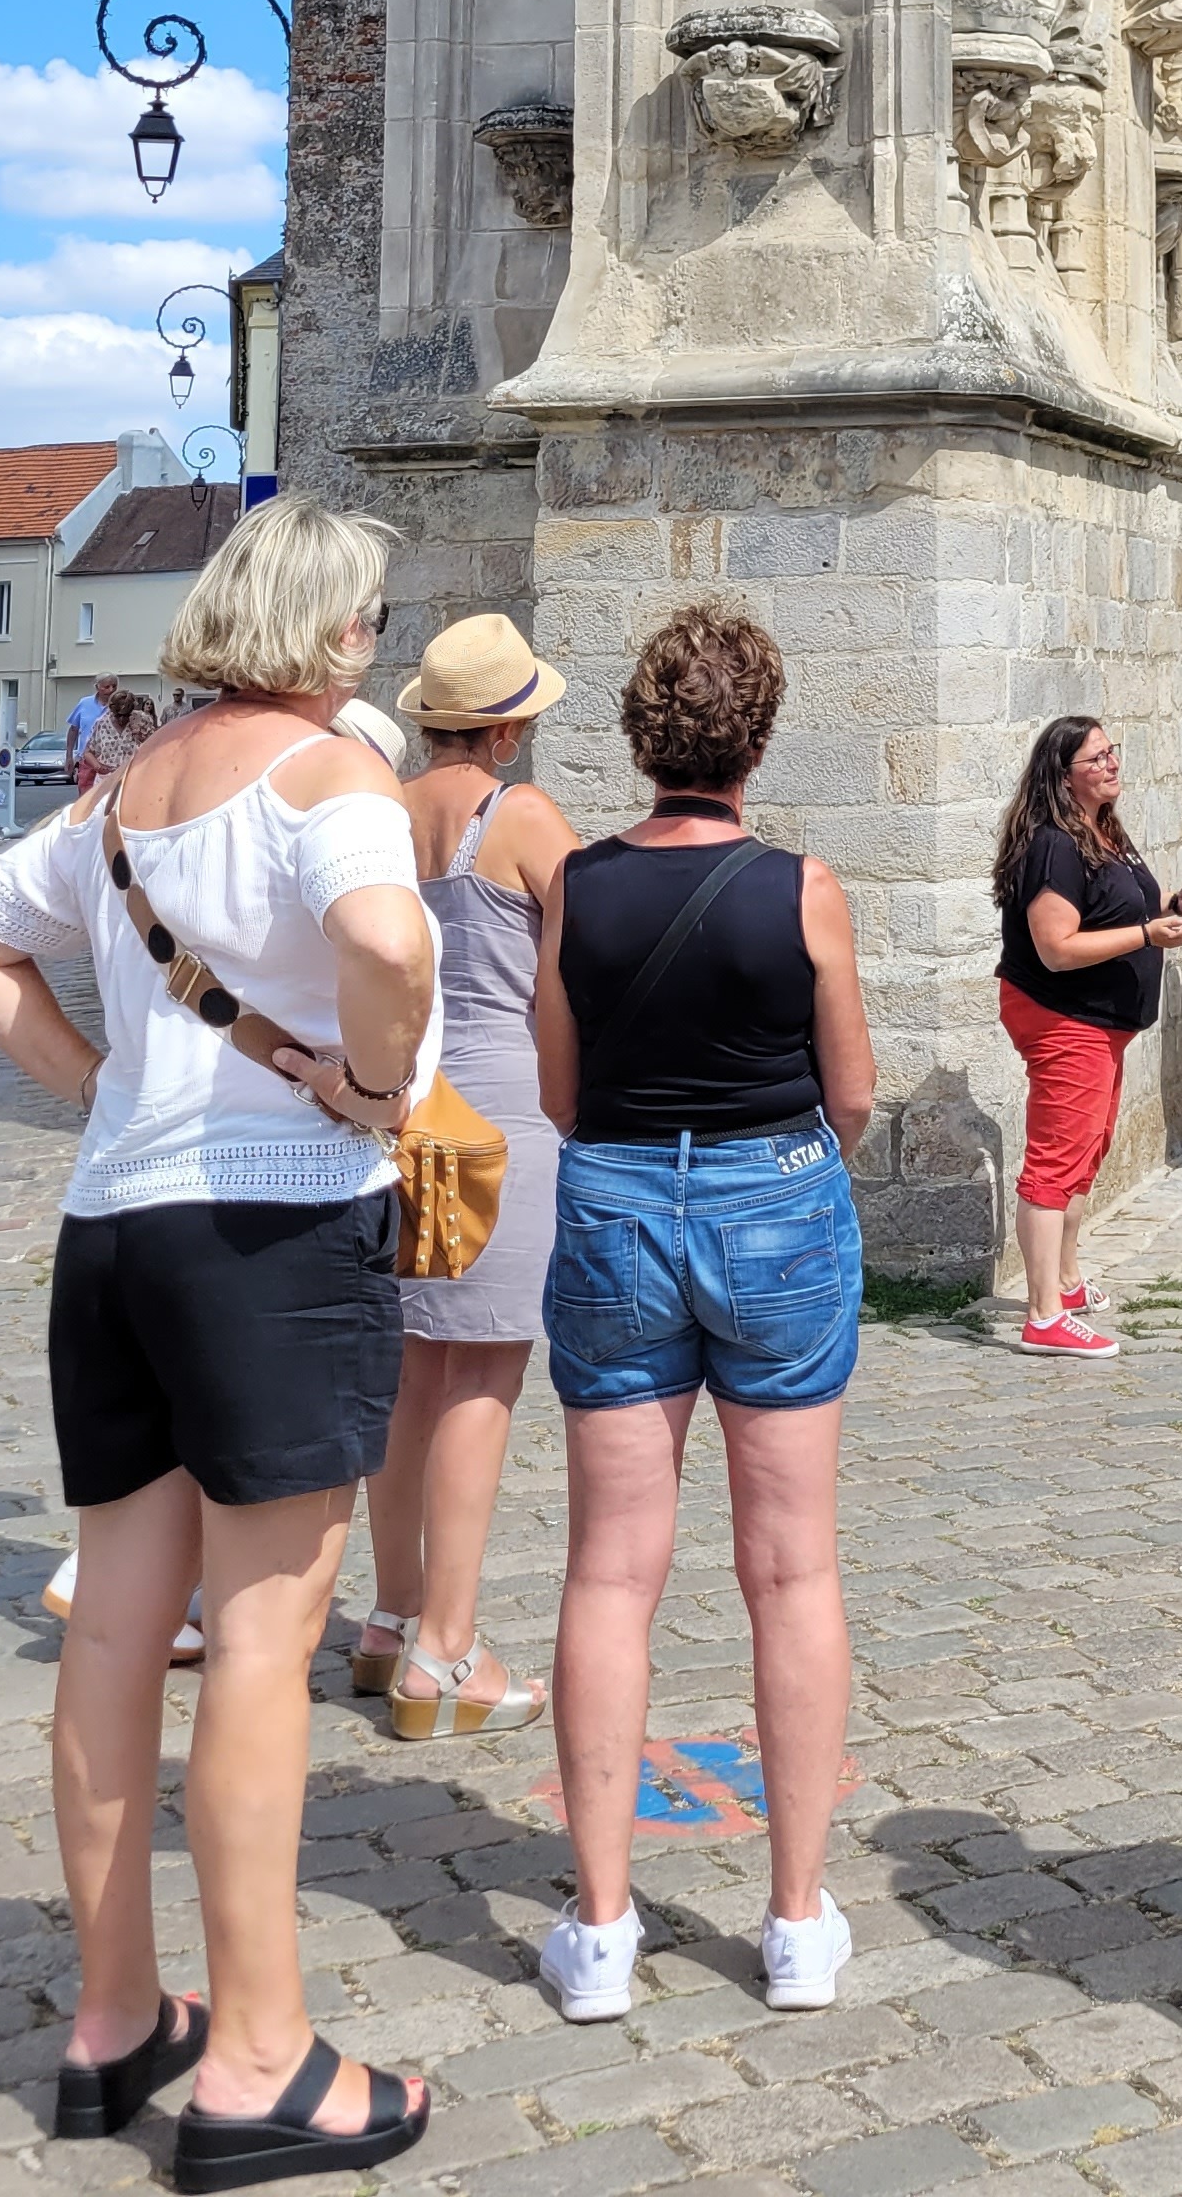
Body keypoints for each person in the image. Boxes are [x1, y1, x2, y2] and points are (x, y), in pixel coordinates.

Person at [0, 499, 438, 2187]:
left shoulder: (125, 792)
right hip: (274, 1233)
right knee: (270, 1644)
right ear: (338, 632)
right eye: (367, 619)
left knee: (114, 1635)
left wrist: (99, 1090)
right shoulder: (329, 775)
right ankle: (262, 2060)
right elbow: (382, 938)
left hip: (116, 1236)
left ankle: (111, 2015)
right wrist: (373, 1081)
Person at [535, 603, 877, 2030]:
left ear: (638, 732)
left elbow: (560, 1091)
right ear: (760, 735)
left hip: (617, 1200)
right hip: (775, 1202)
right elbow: (850, 1093)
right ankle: (795, 1922)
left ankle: (603, 1929)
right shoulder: (804, 888)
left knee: (613, 1571)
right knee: (790, 1571)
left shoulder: (574, 884)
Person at [346, 615, 577, 1740]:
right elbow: (578, 972)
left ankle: (390, 1618)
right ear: (504, 724)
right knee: (482, 1385)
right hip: (502, 1119)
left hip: (400, 1117)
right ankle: (447, 1648)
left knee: (405, 1380)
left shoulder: (385, 809)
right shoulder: (522, 816)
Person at [993, 716, 1182, 1356]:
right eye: (1098, 758)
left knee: (1087, 1148)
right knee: (1056, 1159)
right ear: (1064, 776)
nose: (1113, 765)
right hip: (1065, 1016)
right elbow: (1056, 947)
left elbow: (1120, 903)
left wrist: (1172, 902)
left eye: (1114, 752)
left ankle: (1064, 1276)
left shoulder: (1102, 829)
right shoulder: (1054, 844)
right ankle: (1042, 1316)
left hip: (1102, 1023)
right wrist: (1146, 936)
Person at [68, 672, 122, 794]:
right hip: (87, 760)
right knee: (86, 795)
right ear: (97, 687)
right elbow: (73, 730)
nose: (111, 690)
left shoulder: (120, 706)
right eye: (106, 687)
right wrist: (69, 756)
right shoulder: (84, 703)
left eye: (114, 686)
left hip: (111, 760)